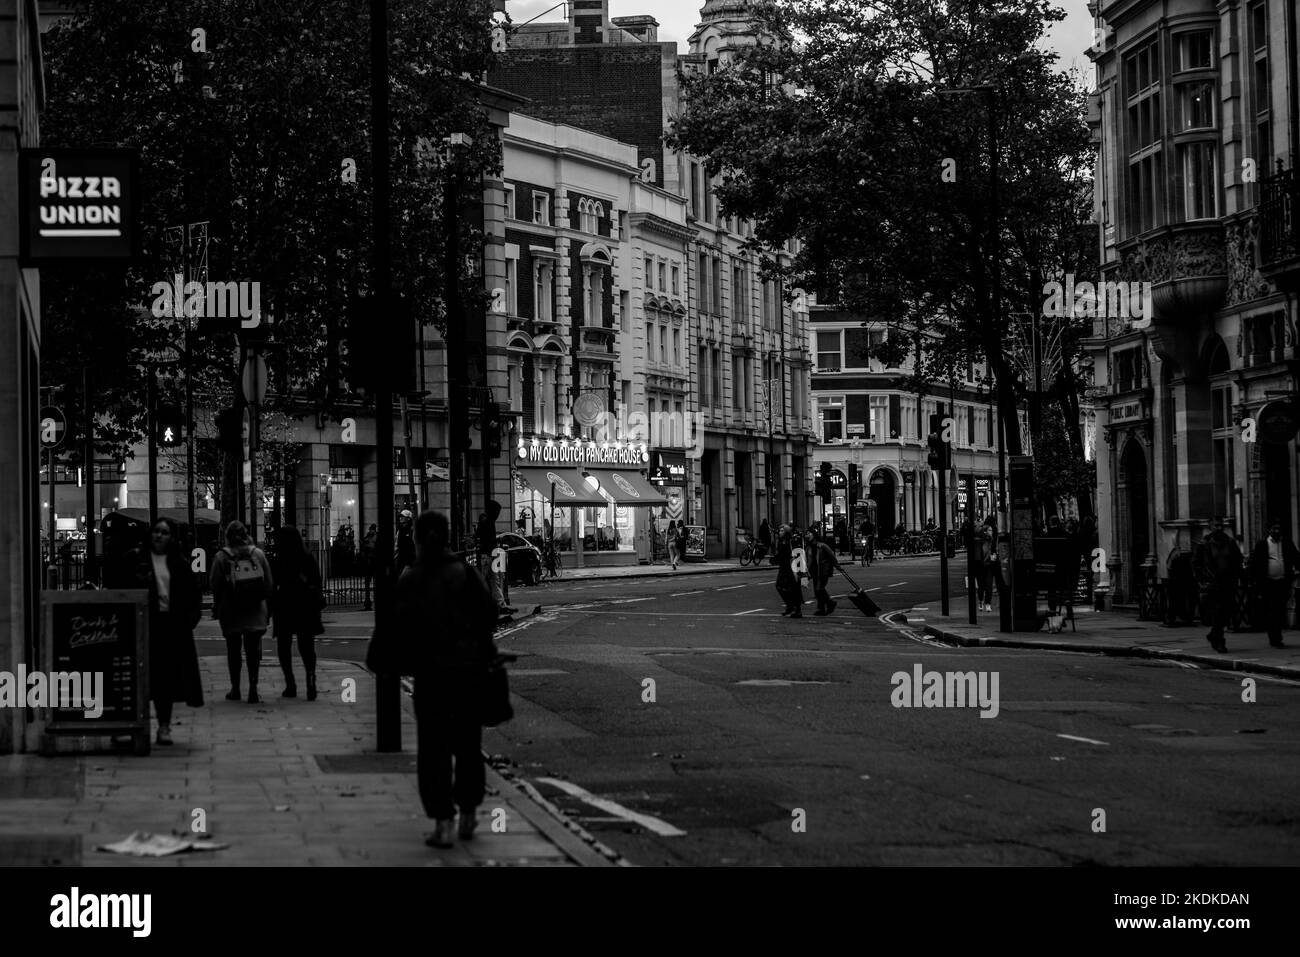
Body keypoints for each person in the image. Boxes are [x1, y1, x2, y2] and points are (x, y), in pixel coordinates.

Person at [396, 510, 499, 849]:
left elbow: (399, 629)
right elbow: (490, 615)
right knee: (468, 746)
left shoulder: (410, 577)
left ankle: (443, 822)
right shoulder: (465, 573)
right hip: (468, 674)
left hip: (431, 678)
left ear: (417, 537)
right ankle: (468, 812)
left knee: (434, 750)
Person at [123, 518, 204, 745]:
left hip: (170, 626)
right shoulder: (136, 559)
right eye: (156, 531)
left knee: (164, 680)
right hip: (145, 624)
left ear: (171, 537)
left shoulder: (178, 563)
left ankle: (164, 726)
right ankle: (134, 725)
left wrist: (189, 621)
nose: (159, 536)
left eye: (165, 532)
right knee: (138, 677)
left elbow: (192, 595)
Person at [211, 520, 274, 703]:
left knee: (233, 651)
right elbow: (269, 584)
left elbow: (215, 585)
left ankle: (235, 688)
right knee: (253, 651)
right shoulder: (258, 554)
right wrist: (267, 610)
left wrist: (218, 606)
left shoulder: (222, 557)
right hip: (255, 609)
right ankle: (253, 688)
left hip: (232, 611)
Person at [270, 526, 325, 700]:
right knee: (307, 647)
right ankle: (311, 679)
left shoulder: (279, 560)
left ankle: (290, 684)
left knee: (284, 647)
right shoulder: (307, 557)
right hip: (305, 607)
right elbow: (317, 582)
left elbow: (272, 585)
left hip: (285, 606)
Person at [1193, 515, 1243, 653]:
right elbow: (1196, 564)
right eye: (1216, 525)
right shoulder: (1204, 544)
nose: (1219, 528)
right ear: (1210, 527)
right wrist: (1202, 579)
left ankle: (1213, 634)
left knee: (1227, 612)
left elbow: (1238, 561)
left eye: (1221, 525)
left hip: (1228, 582)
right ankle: (1219, 641)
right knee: (1217, 612)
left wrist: (1239, 576)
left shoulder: (1230, 542)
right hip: (1213, 584)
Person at [1249, 520, 1300, 649]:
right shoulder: (1262, 545)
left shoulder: (1287, 543)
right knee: (1272, 610)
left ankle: (1276, 635)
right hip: (1268, 583)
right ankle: (1275, 638)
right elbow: (1255, 564)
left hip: (1283, 582)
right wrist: (1255, 582)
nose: (1277, 531)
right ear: (1269, 530)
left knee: (1280, 609)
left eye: (1278, 529)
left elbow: (1296, 558)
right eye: (1274, 529)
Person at [476, 500, 513, 613]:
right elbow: (486, 540)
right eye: (497, 512)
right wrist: (496, 540)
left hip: (491, 555)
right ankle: (495, 604)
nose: (498, 515)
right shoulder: (488, 522)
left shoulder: (486, 521)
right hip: (487, 556)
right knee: (491, 580)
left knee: (493, 580)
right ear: (492, 511)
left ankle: (499, 604)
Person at [805, 526, 839, 616]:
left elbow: (831, 556)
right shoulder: (808, 548)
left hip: (823, 571)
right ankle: (821, 609)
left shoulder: (822, 546)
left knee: (819, 588)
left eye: (809, 533)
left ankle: (830, 603)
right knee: (817, 591)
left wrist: (837, 565)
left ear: (814, 535)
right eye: (807, 534)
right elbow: (808, 561)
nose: (807, 535)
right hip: (814, 571)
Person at [775, 524, 802, 618]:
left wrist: (797, 570)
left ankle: (797, 609)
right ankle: (790, 606)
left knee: (794, 588)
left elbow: (797, 554)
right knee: (779, 586)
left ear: (786, 532)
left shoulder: (791, 542)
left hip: (792, 567)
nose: (780, 532)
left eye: (782, 531)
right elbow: (780, 554)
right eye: (779, 531)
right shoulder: (780, 542)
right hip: (784, 567)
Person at [976, 515, 997, 612]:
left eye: (992, 530)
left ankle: (988, 603)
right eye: (990, 530)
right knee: (981, 587)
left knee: (989, 586)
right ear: (985, 532)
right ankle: (980, 601)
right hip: (980, 566)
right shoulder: (980, 542)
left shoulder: (993, 542)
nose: (991, 532)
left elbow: (994, 551)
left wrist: (994, 556)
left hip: (989, 566)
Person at [395, 510, 416, 577]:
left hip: (410, 562)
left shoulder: (413, 531)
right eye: (400, 516)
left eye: (403, 516)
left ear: (408, 518)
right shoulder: (399, 531)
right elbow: (396, 545)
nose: (400, 518)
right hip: (401, 561)